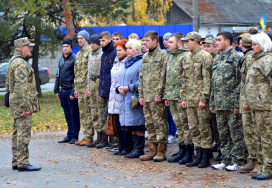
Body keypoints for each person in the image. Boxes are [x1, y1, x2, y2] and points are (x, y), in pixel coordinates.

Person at [210, 31, 245, 171]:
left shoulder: (237, 57)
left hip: (232, 104)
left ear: (228, 42)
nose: (216, 43)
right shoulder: (218, 59)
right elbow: (214, 82)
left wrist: (238, 103)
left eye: (218, 40)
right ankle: (225, 159)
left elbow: (240, 82)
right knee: (223, 134)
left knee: (236, 134)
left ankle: (238, 161)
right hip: (219, 103)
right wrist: (212, 102)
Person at [7, 37, 41, 171]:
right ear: (21, 48)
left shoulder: (13, 61)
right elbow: (22, 87)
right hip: (22, 104)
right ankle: (23, 162)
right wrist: (26, 107)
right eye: (28, 46)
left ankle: (16, 160)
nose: (30, 49)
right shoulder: (20, 64)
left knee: (17, 132)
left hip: (16, 103)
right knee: (23, 133)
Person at [180, 32, 213, 168]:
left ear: (195, 41)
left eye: (187, 41)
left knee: (204, 128)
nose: (186, 44)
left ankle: (205, 157)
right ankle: (198, 155)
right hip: (189, 99)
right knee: (193, 128)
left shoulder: (206, 57)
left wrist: (204, 98)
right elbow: (184, 79)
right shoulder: (186, 57)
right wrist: (183, 97)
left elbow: (207, 80)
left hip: (200, 99)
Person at [138, 31, 169, 162]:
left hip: (157, 96)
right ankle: (152, 149)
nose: (144, 43)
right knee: (149, 123)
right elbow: (141, 77)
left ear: (155, 41)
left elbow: (164, 76)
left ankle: (161, 150)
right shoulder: (145, 57)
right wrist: (141, 95)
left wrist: (159, 94)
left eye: (147, 41)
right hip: (146, 96)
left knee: (159, 123)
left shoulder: (163, 55)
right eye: (144, 41)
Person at [246, 32, 272, 180]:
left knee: (267, 139)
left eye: (255, 44)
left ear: (263, 45)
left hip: (266, 107)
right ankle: (263, 167)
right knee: (261, 139)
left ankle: (269, 169)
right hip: (257, 107)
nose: (252, 46)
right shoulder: (257, 60)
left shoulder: (267, 60)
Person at [164, 33, 192, 163]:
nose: (168, 44)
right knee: (179, 126)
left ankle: (188, 152)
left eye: (171, 42)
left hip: (181, 97)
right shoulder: (171, 57)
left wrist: (184, 97)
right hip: (172, 96)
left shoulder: (185, 56)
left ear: (179, 43)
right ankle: (181, 150)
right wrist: (167, 95)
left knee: (185, 126)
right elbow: (168, 78)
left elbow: (187, 79)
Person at [117, 39, 146, 158]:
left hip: (134, 97)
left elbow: (142, 81)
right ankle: (134, 147)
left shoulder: (140, 62)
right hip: (125, 97)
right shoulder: (127, 62)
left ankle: (139, 149)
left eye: (129, 48)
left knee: (138, 123)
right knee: (132, 124)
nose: (127, 50)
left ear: (137, 50)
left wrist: (129, 87)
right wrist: (119, 87)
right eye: (127, 48)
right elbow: (122, 77)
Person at [237, 33, 260, 174]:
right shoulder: (247, 57)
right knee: (248, 131)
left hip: (254, 101)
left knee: (256, 132)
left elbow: (252, 82)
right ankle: (251, 160)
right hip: (245, 99)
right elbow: (244, 82)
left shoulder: (253, 58)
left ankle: (258, 161)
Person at [54, 39, 80, 144]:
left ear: (71, 47)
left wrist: (73, 91)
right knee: (67, 115)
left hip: (70, 91)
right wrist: (56, 89)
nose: (65, 48)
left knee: (74, 114)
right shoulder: (61, 59)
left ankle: (75, 136)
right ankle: (69, 135)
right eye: (63, 46)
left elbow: (76, 76)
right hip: (62, 91)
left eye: (67, 46)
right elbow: (58, 74)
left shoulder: (74, 59)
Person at [108, 39, 130, 155]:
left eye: (120, 50)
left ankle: (126, 146)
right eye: (117, 50)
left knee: (124, 125)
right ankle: (120, 146)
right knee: (117, 123)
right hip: (114, 96)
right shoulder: (116, 62)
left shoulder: (127, 63)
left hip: (122, 97)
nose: (118, 52)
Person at [97, 31, 117, 149]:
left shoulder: (114, 52)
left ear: (109, 40)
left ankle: (114, 141)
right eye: (100, 41)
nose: (101, 43)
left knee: (112, 116)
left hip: (112, 90)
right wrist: (101, 90)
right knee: (104, 116)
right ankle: (106, 140)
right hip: (104, 90)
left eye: (103, 40)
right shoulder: (104, 54)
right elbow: (102, 74)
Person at [203, 37, 221, 161]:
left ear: (215, 46)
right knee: (207, 125)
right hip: (206, 96)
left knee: (217, 126)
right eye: (204, 46)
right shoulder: (205, 58)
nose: (205, 48)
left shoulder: (218, 58)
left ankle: (220, 149)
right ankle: (207, 150)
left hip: (216, 97)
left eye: (208, 46)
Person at [74, 30, 93, 146]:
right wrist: (76, 88)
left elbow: (89, 72)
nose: (80, 40)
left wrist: (88, 87)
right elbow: (76, 71)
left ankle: (89, 136)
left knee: (88, 111)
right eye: (78, 38)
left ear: (86, 39)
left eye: (82, 38)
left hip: (86, 87)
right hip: (79, 87)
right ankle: (85, 134)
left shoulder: (89, 52)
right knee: (82, 112)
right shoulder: (79, 54)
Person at [85, 34, 104, 148]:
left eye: (94, 43)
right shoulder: (90, 54)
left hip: (98, 82)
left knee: (100, 110)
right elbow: (88, 72)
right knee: (94, 111)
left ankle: (103, 137)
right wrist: (87, 86)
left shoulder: (102, 54)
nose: (92, 45)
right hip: (91, 83)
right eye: (91, 43)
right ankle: (98, 136)